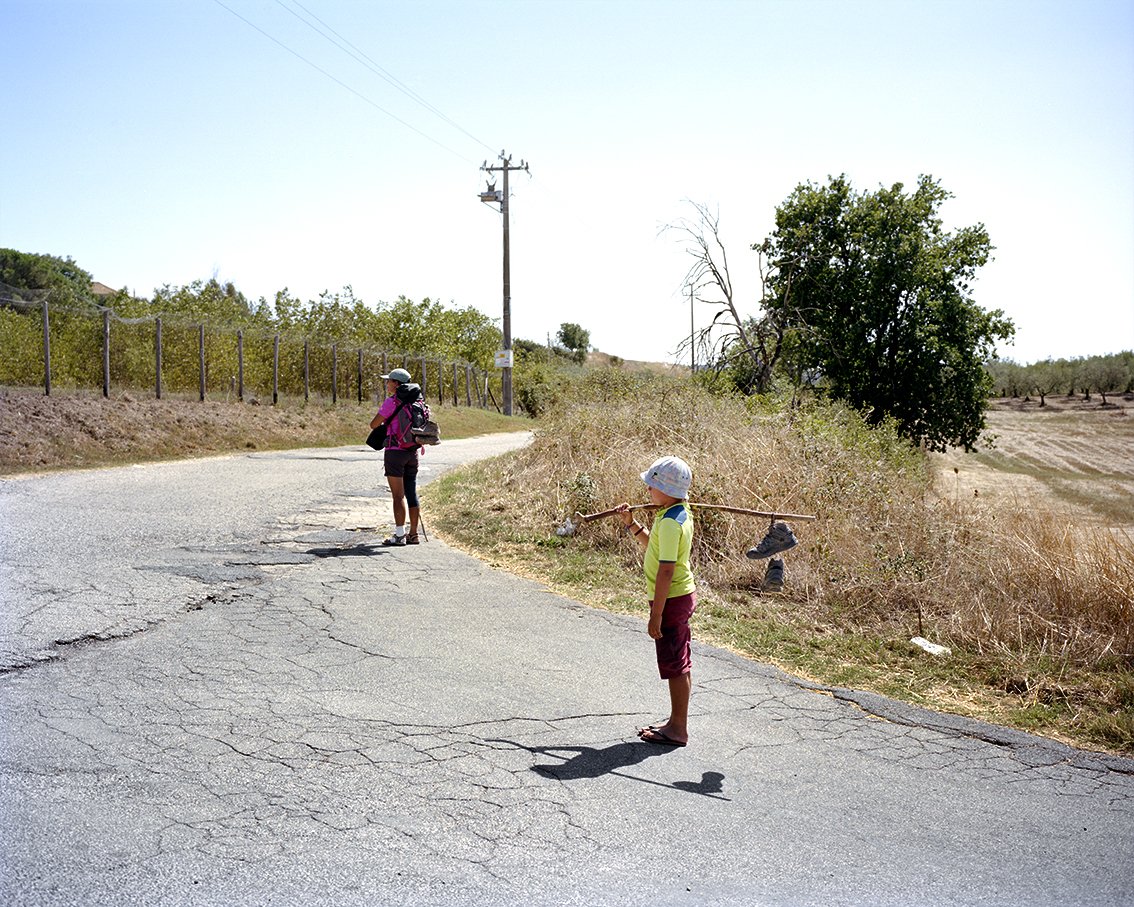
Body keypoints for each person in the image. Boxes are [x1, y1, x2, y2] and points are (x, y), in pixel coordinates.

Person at [615, 455, 696, 747]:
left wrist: (656, 615)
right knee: (679, 662)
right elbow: (654, 546)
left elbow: (666, 570)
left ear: (668, 489)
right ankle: (675, 722)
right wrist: (632, 523)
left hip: (672, 599)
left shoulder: (672, 522)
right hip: (676, 597)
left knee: (675, 665)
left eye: (652, 485)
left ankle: (678, 729)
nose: (647, 490)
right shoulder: (672, 513)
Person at [370, 367, 423, 546]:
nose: (387, 384)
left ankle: (399, 535)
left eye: (389, 381)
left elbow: (374, 424)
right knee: (411, 493)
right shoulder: (417, 401)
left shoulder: (392, 402)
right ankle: (414, 534)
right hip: (412, 453)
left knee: (398, 496)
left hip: (394, 452)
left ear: (396, 384)